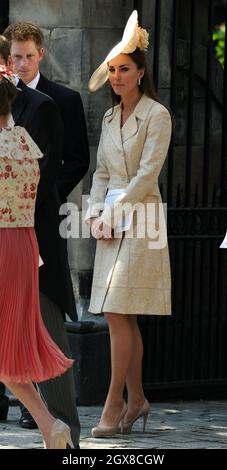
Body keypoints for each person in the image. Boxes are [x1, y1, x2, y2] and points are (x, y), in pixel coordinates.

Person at [85, 10, 172, 437]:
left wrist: (113, 214)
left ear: (140, 73)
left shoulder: (158, 115)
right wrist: (93, 214)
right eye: (113, 70)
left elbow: (147, 175)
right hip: (109, 221)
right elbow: (101, 173)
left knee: (119, 311)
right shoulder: (106, 119)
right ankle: (136, 399)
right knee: (121, 316)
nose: (117, 77)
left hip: (141, 220)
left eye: (124, 69)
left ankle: (114, 401)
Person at [1, 35, 81, 446]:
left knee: (23, 344)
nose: (21, 62)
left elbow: (52, 176)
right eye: (15, 57)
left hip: (16, 243)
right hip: (21, 241)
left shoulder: (35, 116)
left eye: (27, 55)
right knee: (11, 350)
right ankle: (52, 428)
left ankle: (59, 429)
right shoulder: (19, 140)